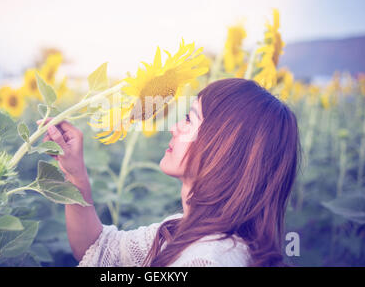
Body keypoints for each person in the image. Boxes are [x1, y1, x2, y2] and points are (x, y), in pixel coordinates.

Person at [38, 78, 302, 267]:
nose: (175, 127)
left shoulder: (207, 259)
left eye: (190, 119)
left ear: (224, 148)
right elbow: (98, 248)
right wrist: (75, 173)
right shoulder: (184, 229)